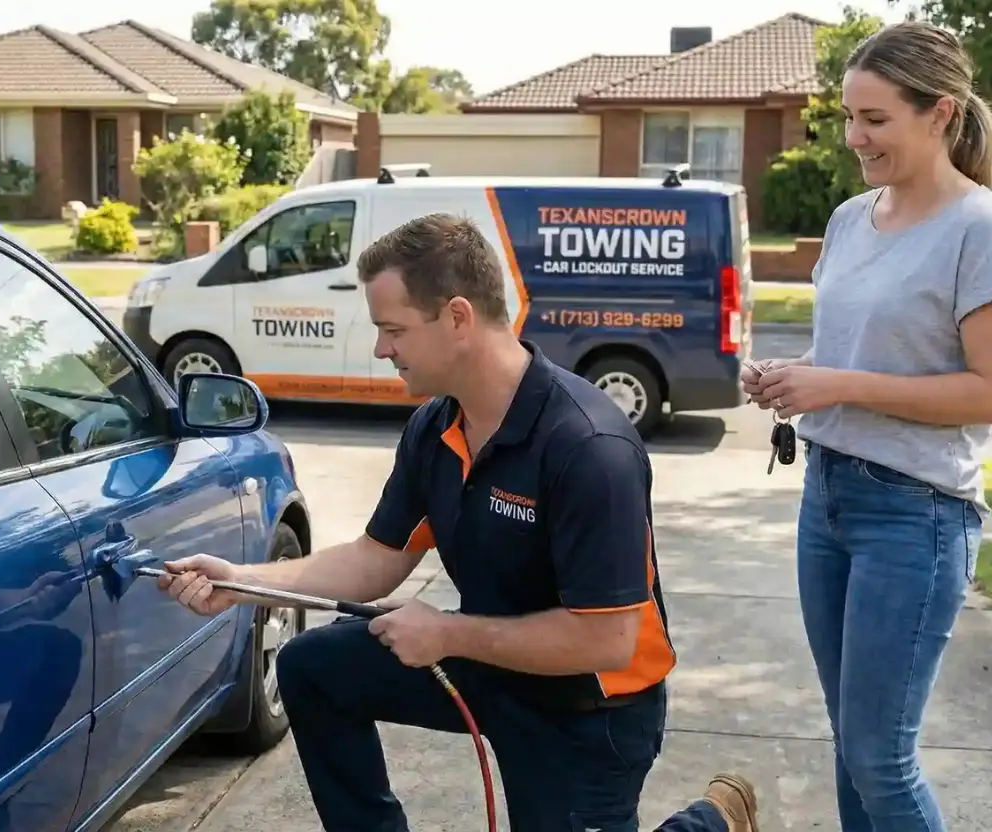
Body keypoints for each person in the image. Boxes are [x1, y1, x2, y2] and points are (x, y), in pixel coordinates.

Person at [158, 212, 758, 831]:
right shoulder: (438, 426)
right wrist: (242, 581)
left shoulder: (589, 446)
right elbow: (377, 558)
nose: (380, 348)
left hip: (588, 705)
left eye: (393, 329)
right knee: (312, 668)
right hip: (490, 663)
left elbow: (605, 640)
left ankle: (713, 822)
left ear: (458, 318)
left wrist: (447, 634)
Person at [743, 20, 992, 832]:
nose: (855, 137)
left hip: (915, 515)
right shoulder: (852, 217)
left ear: (940, 113)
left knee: (881, 757)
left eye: (875, 119)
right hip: (829, 497)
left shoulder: (978, 229)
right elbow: (863, 346)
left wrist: (836, 384)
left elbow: (986, 391)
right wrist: (793, 378)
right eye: (848, 117)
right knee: (852, 744)